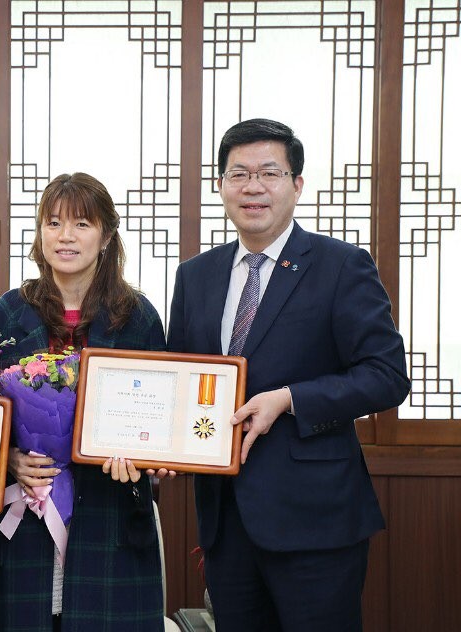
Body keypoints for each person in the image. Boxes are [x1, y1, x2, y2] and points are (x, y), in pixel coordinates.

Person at [166, 118, 410, 631]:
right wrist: (162, 445)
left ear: (296, 185)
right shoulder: (196, 275)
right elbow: (181, 380)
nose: (253, 187)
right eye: (239, 174)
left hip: (316, 520)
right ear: (221, 185)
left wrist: (289, 398)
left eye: (269, 173)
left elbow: (387, 375)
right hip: (226, 523)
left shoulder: (341, 266)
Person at [0, 172, 170, 632]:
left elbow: (160, 416)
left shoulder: (138, 317)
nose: (65, 236)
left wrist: (147, 456)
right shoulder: (8, 312)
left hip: (111, 514)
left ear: (106, 236)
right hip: (26, 512)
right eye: (53, 223)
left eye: (82, 224)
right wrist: (7, 458)